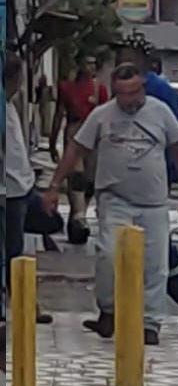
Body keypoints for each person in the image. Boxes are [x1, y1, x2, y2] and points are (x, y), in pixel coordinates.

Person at [43, 63, 178, 346]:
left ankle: (150, 323)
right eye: (122, 94)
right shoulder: (102, 116)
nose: (129, 100)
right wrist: (54, 186)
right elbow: (76, 148)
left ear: (143, 88)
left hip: (152, 203)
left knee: (155, 264)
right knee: (108, 255)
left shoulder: (160, 112)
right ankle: (109, 311)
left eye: (134, 93)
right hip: (114, 199)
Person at [115, 41, 178, 335]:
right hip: (128, 180)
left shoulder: (158, 93)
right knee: (129, 245)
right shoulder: (134, 89)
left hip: (154, 177)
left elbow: (177, 141)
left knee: (155, 248)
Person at [4, 52, 54, 325]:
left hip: (22, 187)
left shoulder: (11, 105)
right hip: (10, 192)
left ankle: (27, 304)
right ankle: (28, 306)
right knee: (14, 253)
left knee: (48, 224)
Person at [49, 55, 109, 245]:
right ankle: (79, 216)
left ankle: (79, 215)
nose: (90, 66)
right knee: (76, 176)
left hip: (94, 135)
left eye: (93, 63)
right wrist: (53, 140)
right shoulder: (67, 87)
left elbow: (106, 115)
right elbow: (59, 113)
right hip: (74, 131)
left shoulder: (99, 89)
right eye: (87, 62)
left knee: (89, 181)